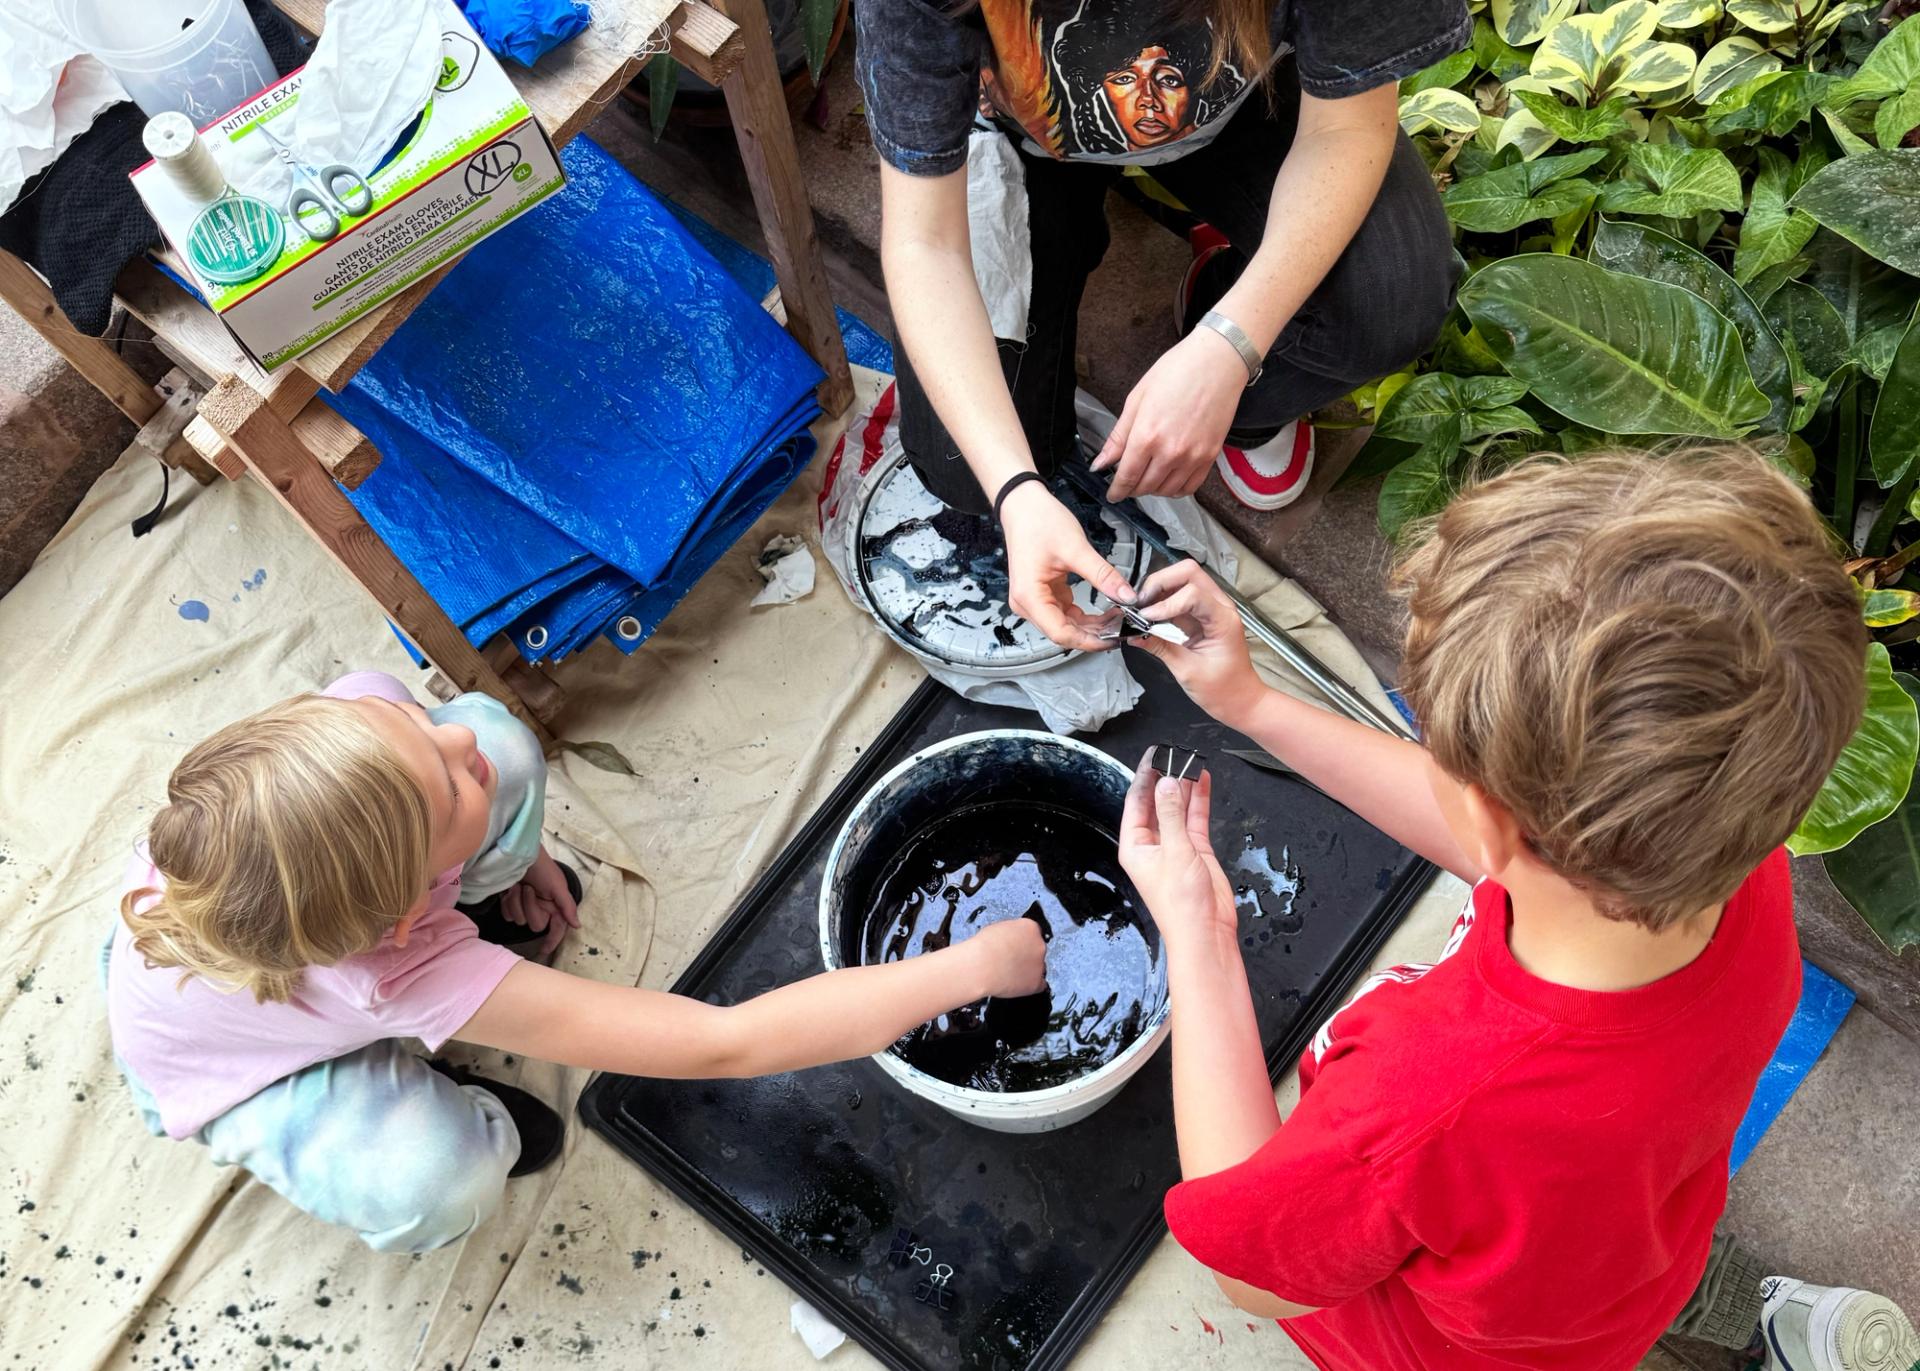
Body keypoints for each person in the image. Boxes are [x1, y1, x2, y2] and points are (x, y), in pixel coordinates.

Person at [1113, 449, 1920, 1370]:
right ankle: (1754, 1324)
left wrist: (1201, 936)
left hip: (1447, 1343)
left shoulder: (1424, 1108)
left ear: (1496, 824)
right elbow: (1497, 840)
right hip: (1624, 1247)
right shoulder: (1733, 856)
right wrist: (1256, 704)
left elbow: (1254, 1274)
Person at [103, 671, 1045, 1253]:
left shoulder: (355, 725)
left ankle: (484, 864)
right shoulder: (401, 968)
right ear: (399, 918)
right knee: (430, 1179)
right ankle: (456, 1116)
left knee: (504, 745)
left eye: (420, 738)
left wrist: (510, 846)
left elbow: (452, 741)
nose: (454, 735)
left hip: (333, 923)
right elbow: (722, 1042)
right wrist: (971, 968)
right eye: (444, 786)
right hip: (237, 1067)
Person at [857, 0, 1469, 652]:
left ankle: (1231, 324)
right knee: (965, 468)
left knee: (1390, 299)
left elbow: (1345, 131)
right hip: (1021, 130)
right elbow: (925, 244)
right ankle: (1077, 235)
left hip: (1243, 95)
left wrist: (1231, 343)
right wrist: (1015, 489)